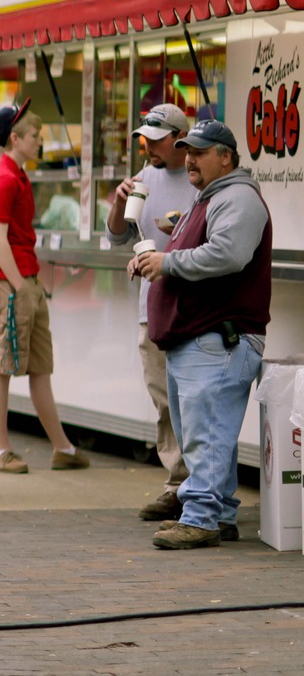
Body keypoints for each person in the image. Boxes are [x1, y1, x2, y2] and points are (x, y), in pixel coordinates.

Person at [131, 120, 272, 550]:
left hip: (221, 337)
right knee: (211, 432)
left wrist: (167, 263)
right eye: (186, 150)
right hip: (203, 337)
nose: (189, 158)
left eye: (199, 151)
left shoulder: (238, 198)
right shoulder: (210, 197)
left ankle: (201, 517)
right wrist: (156, 257)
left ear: (225, 157)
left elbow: (228, 255)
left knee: (205, 431)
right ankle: (220, 513)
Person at [0, 100, 89, 473]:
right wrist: (20, 286)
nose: (40, 141)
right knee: (3, 365)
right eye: (34, 135)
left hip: (25, 281)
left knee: (39, 365)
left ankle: (62, 447)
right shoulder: (5, 180)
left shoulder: (16, 176)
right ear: (15, 139)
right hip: (13, 283)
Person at [105, 104, 198, 521]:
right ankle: (176, 484)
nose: (148, 147)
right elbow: (118, 237)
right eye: (145, 139)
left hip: (196, 308)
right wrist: (117, 202)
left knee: (197, 401)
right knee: (164, 401)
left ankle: (199, 487)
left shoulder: (202, 180)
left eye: (155, 140)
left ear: (180, 138)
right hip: (153, 307)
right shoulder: (143, 178)